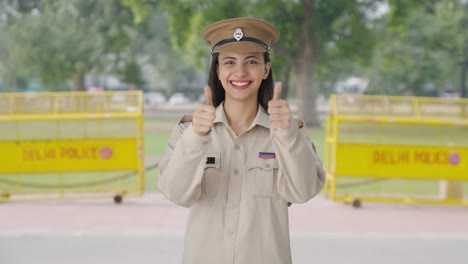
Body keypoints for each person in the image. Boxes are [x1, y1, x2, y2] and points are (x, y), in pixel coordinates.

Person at [158, 17, 326, 264]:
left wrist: (286, 135)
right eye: (229, 62)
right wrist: (197, 138)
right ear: (217, 70)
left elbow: (303, 191)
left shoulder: (291, 132)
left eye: (251, 61)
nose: (240, 72)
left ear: (266, 69)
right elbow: (177, 193)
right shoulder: (188, 132)